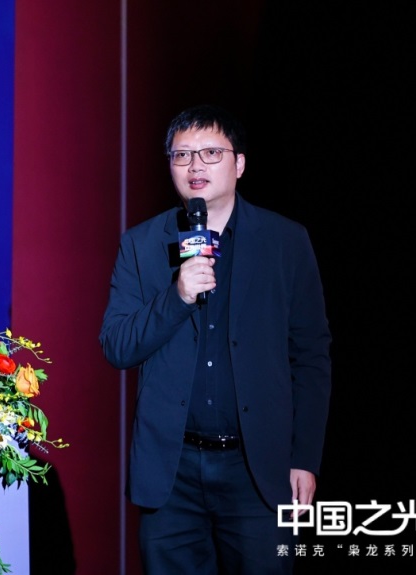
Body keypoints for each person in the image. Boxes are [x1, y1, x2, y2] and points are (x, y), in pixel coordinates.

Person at [100, 104, 331, 574]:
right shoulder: (141, 244)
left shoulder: (285, 241)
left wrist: (304, 457)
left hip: (257, 470)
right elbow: (118, 346)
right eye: (182, 155)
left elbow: (311, 357)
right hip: (172, 473)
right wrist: (177, 296)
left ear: (239, 163)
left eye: (210, 153)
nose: (195, 166)